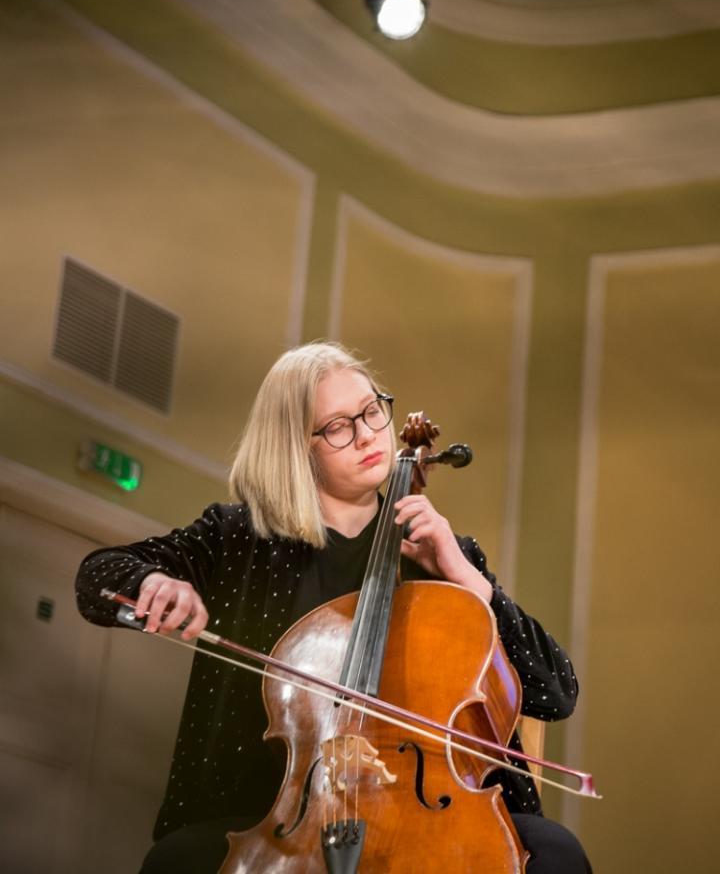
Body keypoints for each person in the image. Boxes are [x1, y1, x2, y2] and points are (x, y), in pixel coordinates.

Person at [75, 342, 591, 873]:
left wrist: (466, 578)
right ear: (297, 447)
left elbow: (556, 691)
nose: (368, 434)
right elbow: (100, 577)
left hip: (432, 817)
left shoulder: (440, 552)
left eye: (371, 411)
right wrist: (157, 583)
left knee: (555, 853)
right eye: (339, 426)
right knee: (175, 862)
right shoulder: (238, 538)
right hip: (277, 814)